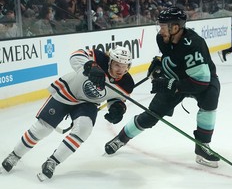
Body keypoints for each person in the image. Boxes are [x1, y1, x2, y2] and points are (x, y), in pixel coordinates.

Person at [104, 6, 221, 168]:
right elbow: (172, 57)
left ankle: (202, 146)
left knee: (210, 97)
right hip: (177, 78)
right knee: (151, 116)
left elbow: (200, 83)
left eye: (163, 27)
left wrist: (169, 83)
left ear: (175, 27)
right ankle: (121, 138)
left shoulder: (194, 45)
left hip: (200, 80)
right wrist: (160, 64)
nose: (160, 31)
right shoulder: (162, 38)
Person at [1, 45, 134, 181]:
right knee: (42, 128)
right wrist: (90, 66)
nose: (121, 70)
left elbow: (117, 98)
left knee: (84, 128)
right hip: (67, 93)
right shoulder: (99, 57)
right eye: (117, 65)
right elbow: (76, 55)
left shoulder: (127, 83)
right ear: (110, 61)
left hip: (88, 103)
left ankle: (53, 161)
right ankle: (15, 155)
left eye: (125, 66)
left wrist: (117, 109)